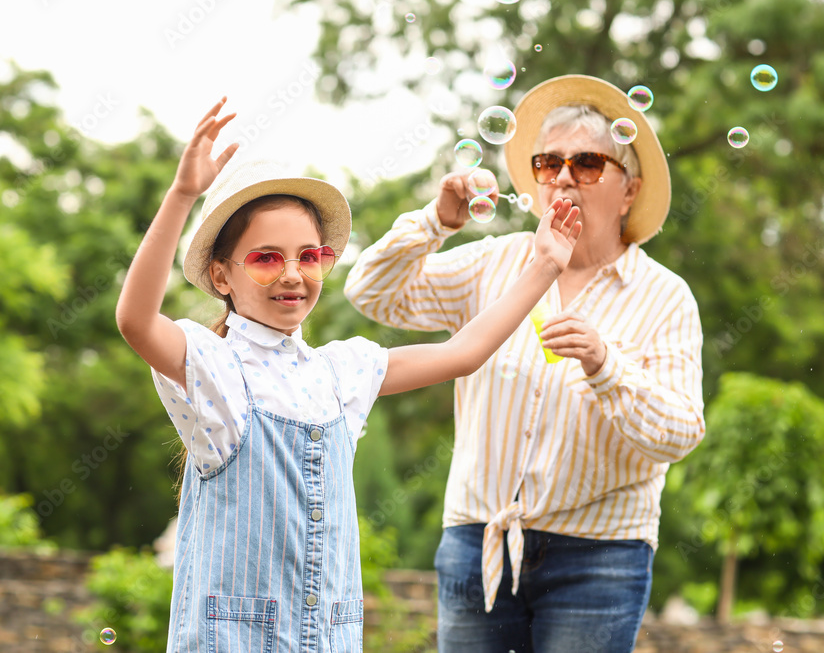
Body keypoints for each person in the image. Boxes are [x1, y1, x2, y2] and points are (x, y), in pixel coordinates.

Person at [114, 96, 581, 652]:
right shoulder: (214, 365)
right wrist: (183, 193)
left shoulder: (341, 371)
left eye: (309, 256)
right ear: (221, 274)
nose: (293, 273)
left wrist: (546, 264)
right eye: (265, 258)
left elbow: (464, 352)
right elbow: (136, 320)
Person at [344, 75, 706, 652]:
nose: (564, 176)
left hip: (601, 553)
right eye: (547, 162)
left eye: (587, 163)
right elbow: (370, 292)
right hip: (476, 538)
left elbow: (681, 432)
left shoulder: (666, 297)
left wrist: (604, 363)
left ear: (629, 190)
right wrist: (437, 221)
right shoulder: (494, 262)